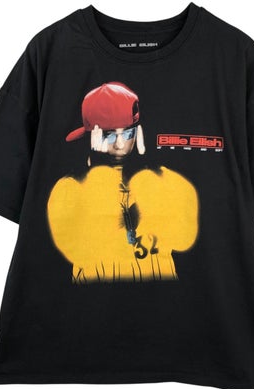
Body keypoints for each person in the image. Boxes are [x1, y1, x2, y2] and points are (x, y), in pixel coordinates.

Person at [46, 81, 199, 284]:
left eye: (127, 133)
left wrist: (148, 171)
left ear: (137, 132)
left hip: (163, 295)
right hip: (95, 297)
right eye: (109, 135)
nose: (120, 144)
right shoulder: (69, 187)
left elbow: (183, 239)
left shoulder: (162, 178)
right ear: (92, 136)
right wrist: (100, 169)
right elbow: (80, 250)